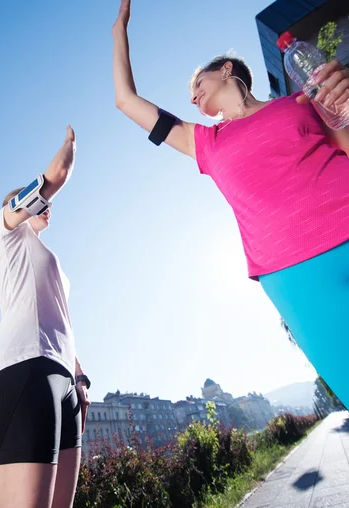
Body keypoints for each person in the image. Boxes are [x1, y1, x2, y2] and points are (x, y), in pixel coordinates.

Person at [112, 0, 349, 405]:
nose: (192, 97)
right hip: (293, 272)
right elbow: (126, 101)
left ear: (226, 69)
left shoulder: (298, 101)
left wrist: (346, 107)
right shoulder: (203, 142)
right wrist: (119, 31)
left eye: (196, 84)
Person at [0, 125, 91, 508]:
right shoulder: (3, 234)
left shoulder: (43, 255)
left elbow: (62, 320)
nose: (47, 209)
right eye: (38, 206)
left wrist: (79, 377)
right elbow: (51, 179)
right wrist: (67, 154)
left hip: (62, 381)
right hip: (21, 371)